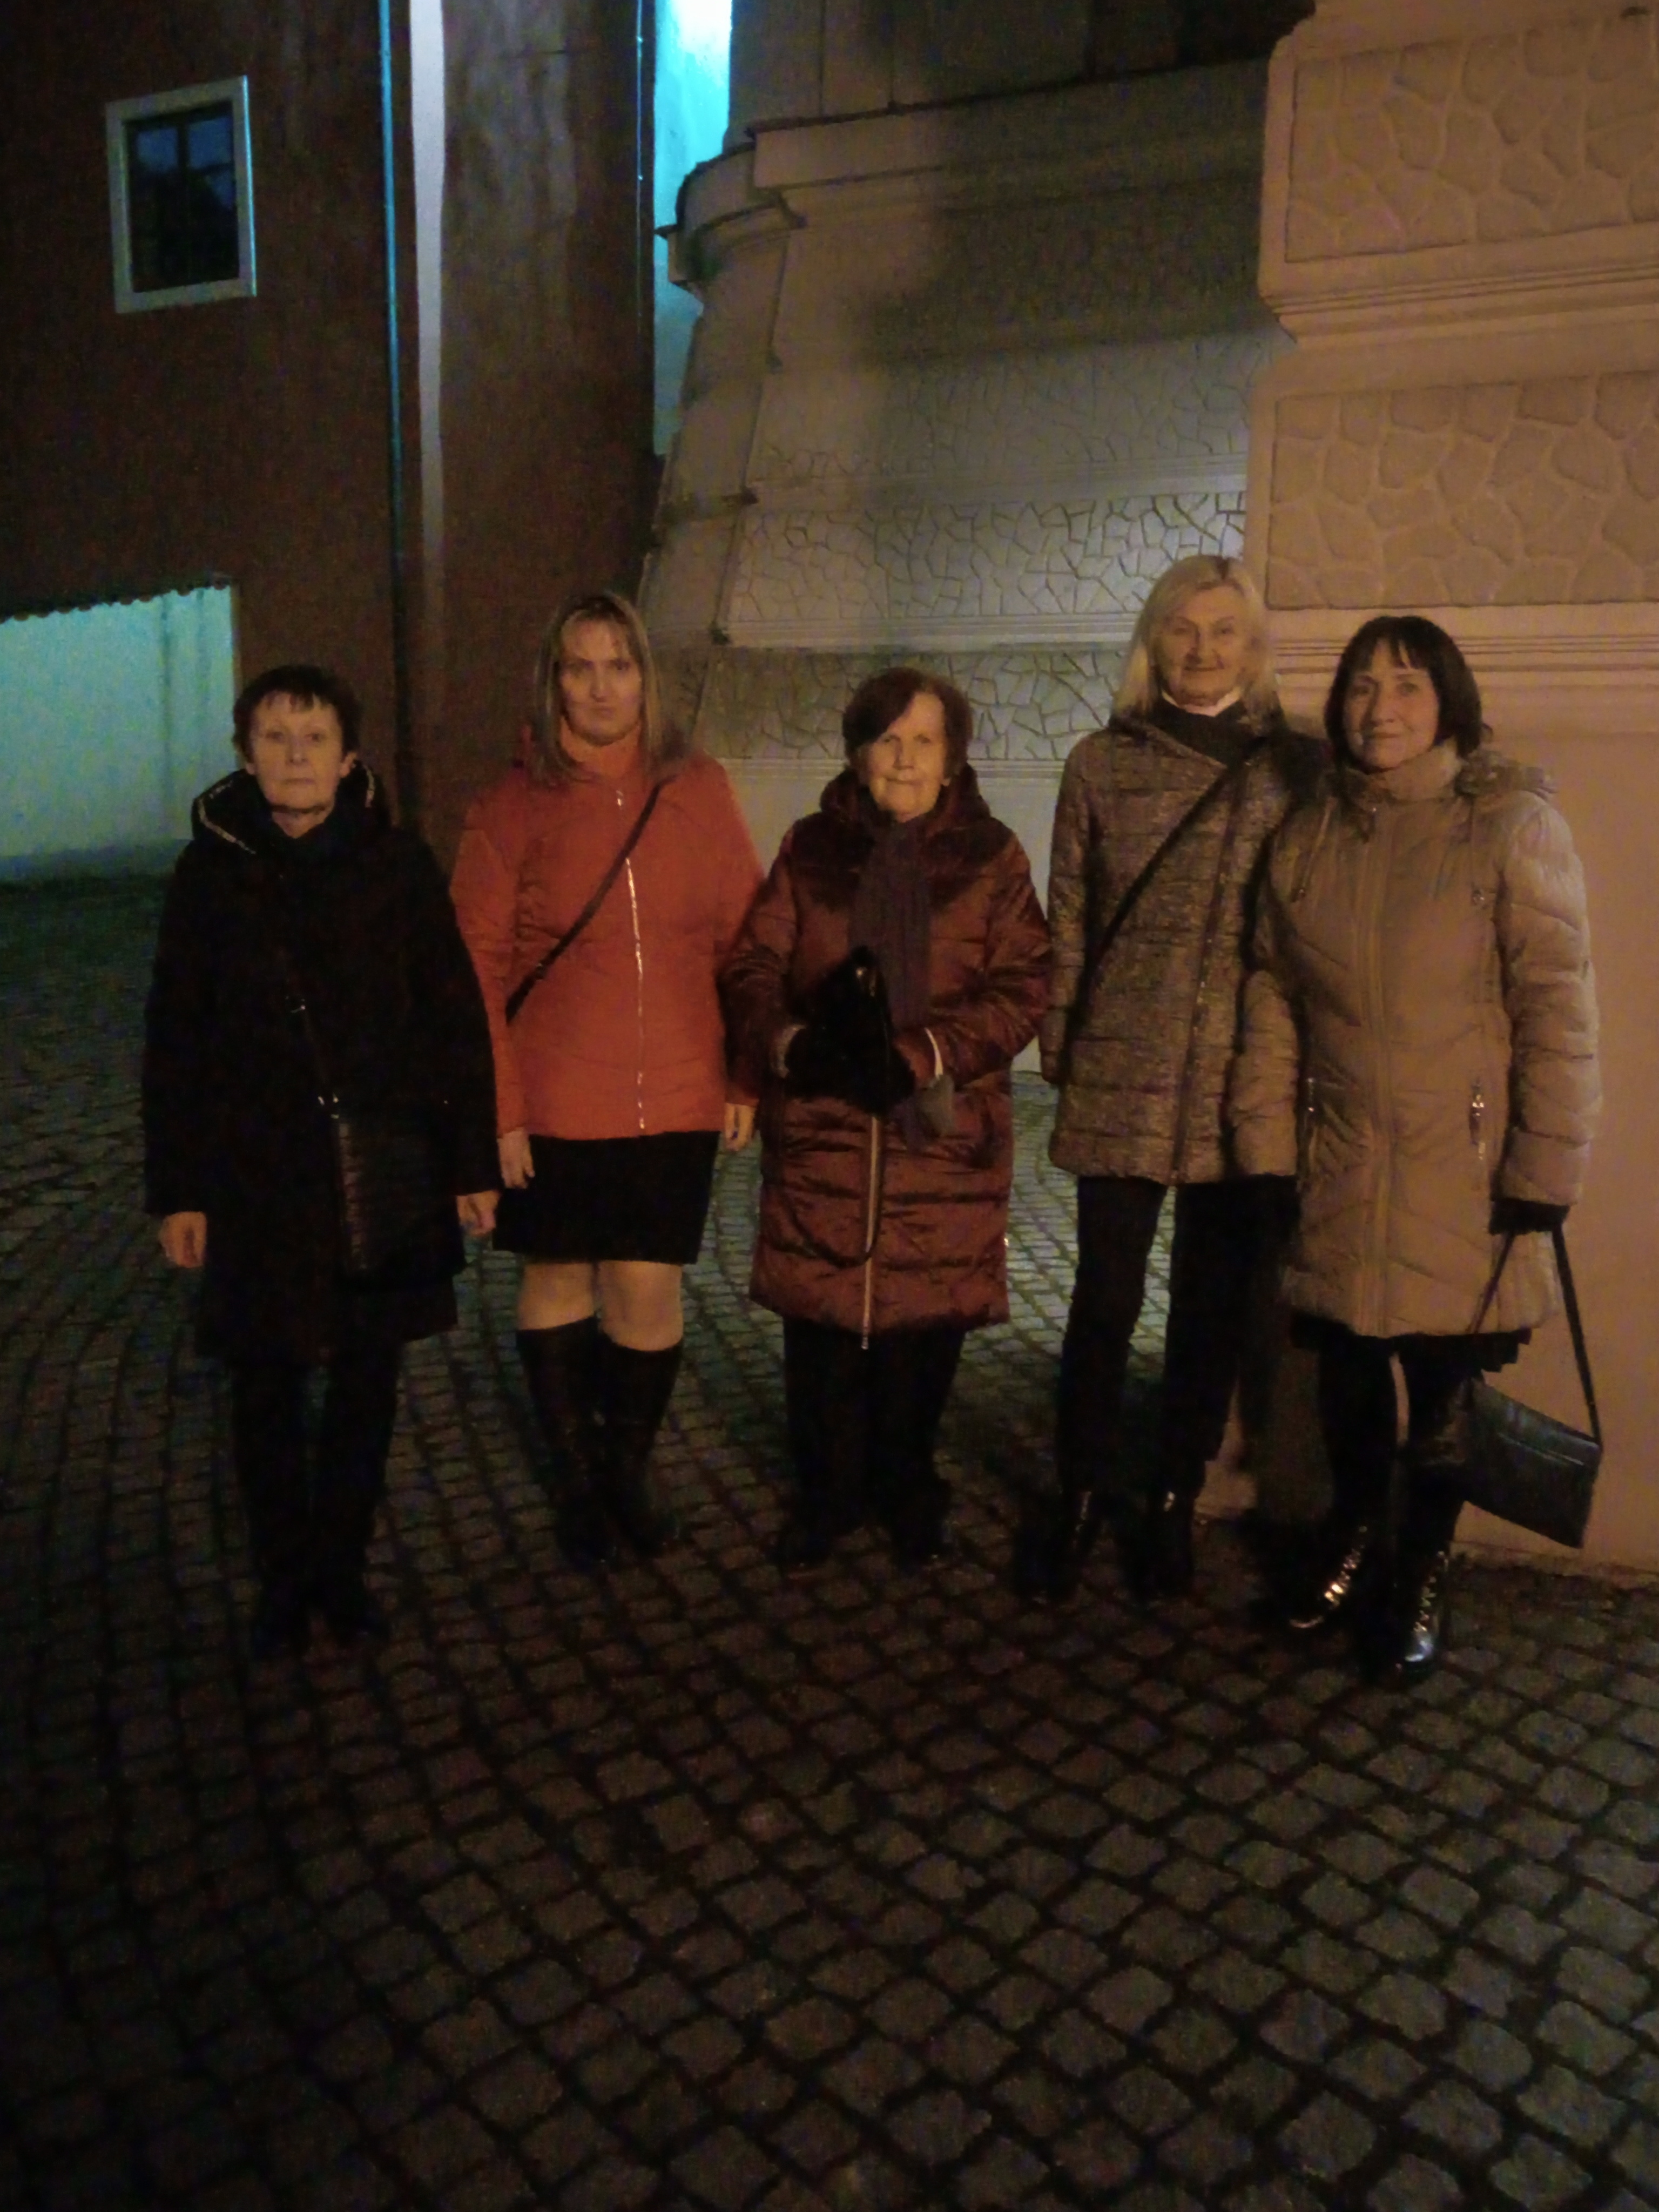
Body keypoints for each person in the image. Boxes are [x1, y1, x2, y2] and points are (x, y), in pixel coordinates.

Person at [1230, 616, 1599, 1679]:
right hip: (1341, 1164)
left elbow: (1557, 1008)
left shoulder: (1509, 826)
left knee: (1442, 1400)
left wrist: (1544, 1167)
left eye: (1405, 685)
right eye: (1361, 685)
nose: (1379, 708)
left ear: (1448, 703)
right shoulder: (1308, 837)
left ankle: (1422, 1569)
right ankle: (1355, 1536)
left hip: (1466, 1175)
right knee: (1347, 1380)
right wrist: (1264, 1147)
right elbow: (1273, 1000)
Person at [143, 665, 499, 1657]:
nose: (295, 756)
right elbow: (175, 1037)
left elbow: (453, 1018)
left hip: (377, 1163)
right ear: (245, 755)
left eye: (314, 739)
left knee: (365, 1379)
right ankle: (283, 1578)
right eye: (275, 737)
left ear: (348, 759)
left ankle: (341, 1570)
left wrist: (471, 1162)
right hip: (254, 1173)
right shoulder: (208, 875)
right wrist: (178, 1190)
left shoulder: (399, 867)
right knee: (263, 1384)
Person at [1028, 554, 1324, 1602]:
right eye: (1182, 628)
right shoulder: (1102, 764)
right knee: (1103, 1300)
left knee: (1211, 1308)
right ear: (1153, 641)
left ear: (1255, 646)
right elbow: (1070, 913)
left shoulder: (1296, 770)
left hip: (1242, 1074)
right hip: (1124, 1057)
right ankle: (1077, 1490)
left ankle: (1170, 1497)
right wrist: (1061, 1040)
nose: (1202, 648)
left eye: (1224, 630)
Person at [450, 590, 762, 1570]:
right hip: (554, 1093)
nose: (599, 687)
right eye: (578, 668)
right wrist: (498, 1113)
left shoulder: (698, 789)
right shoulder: (509, 806)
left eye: (618, 666)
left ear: (644, 678)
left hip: (676, 1089)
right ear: (552, 683)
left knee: (647, 1285)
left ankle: (626, 1466)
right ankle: (580, 1481)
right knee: (558, 1278)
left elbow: (746, 941)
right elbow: (473, 970)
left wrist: (746, 1076)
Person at [721, 669, 1049, 1574]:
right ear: (859, 753)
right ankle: (828, 1492)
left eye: (924, 742)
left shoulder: (993, 859)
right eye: (888, 740)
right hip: (825, 1129)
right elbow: (754, 965)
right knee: (821, 1331)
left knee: (923, 1335)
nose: (905, 760)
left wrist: (927, 1052)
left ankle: (908, 1486)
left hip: (939, 1135)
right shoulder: (810, 849)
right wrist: (789, 1042)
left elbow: (1025, 986)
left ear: (953, 760)